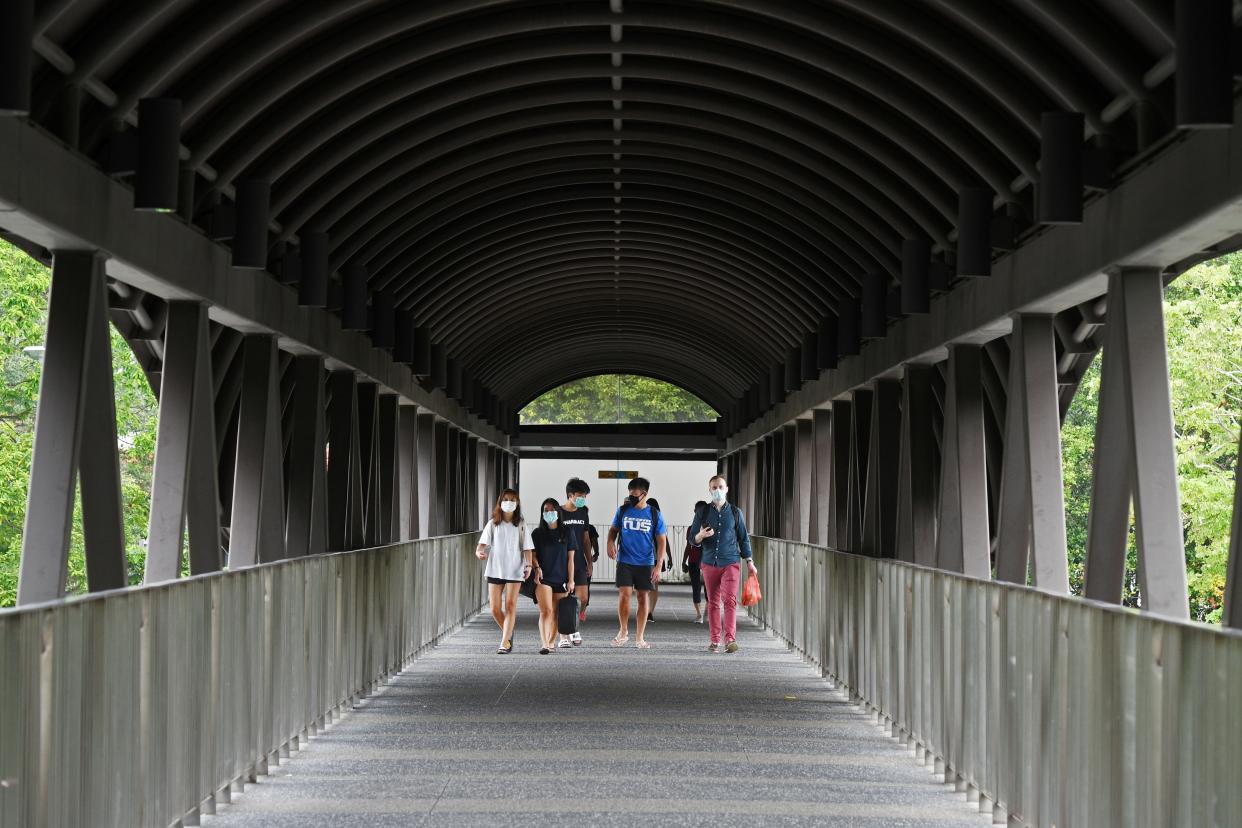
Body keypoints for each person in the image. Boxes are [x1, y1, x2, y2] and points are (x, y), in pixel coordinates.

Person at [688, 474, 755, 653]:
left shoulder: (735, 512)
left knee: (730, 601)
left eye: (720, 487)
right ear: (709, 490)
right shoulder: (702, 512)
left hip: (731, 562)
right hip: (709, 563)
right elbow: (692, 539)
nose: (717, 490)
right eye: (714, 487)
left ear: (726, 489)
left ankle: (730, 639)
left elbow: (743, 539)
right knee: (713, 602)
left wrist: (749, 561)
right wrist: (700, 536)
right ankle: (715, 640)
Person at [606, 477, 666, 649]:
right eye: (629, 493)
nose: (631, 496)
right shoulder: (623, 510)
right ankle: (623, 631)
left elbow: (662, 540)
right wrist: (610, 542)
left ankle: (640, 637)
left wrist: (658, 564)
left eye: (634, 493)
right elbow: (613, 530)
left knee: (642, 597)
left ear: (644, 494)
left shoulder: (654, 514)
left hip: (646, 562)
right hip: (625, 560)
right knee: (624, 594)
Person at [476, 489, 534, 654]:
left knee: (510, 605)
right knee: (494, 608)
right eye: (506, 499)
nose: (509, 502)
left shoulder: (521, 524)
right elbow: (480, 547)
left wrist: (528, 566)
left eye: (512, 500)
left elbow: (527, 548)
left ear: (517, 503)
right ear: (500, 502)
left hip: (515, 570)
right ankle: (508, 633)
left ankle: (504, 642)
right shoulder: (493, 523)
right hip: (495, 568)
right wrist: (479, 553)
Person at [532, 498, 577, 654]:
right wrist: (537, 567)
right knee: (546, 611)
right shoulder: (537, 534)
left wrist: (571, 580)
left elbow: (571, 559)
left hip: (561, 578)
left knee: (557, 612)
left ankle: (551, 642)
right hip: (543, 578)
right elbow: (532, 555)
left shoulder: (567, 532)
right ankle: (544, 643)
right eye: (546, 510)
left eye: (552, 510)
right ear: (542, 513)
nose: (549, 512)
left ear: (558, 512)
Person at [559, 477, 593, 644]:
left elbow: (586, 539)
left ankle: (574, 624)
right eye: (580, 496)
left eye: (585, 496)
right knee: (563, 598)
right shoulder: (558, 512)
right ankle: (564, 635)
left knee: (583, 598)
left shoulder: (583, 512)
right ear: (570, 495)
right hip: (560, 562)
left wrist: (590, 562)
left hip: (579, 561)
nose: (583, 499)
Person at [685, 500, 708, 623]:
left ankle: (706, 613)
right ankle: (699, 614)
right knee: (696, 587)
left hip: (708, 561)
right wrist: (684, 560)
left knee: (709, 588)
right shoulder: (691, 529)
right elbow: (688, 546)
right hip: (694, 560)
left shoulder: (710, 529)